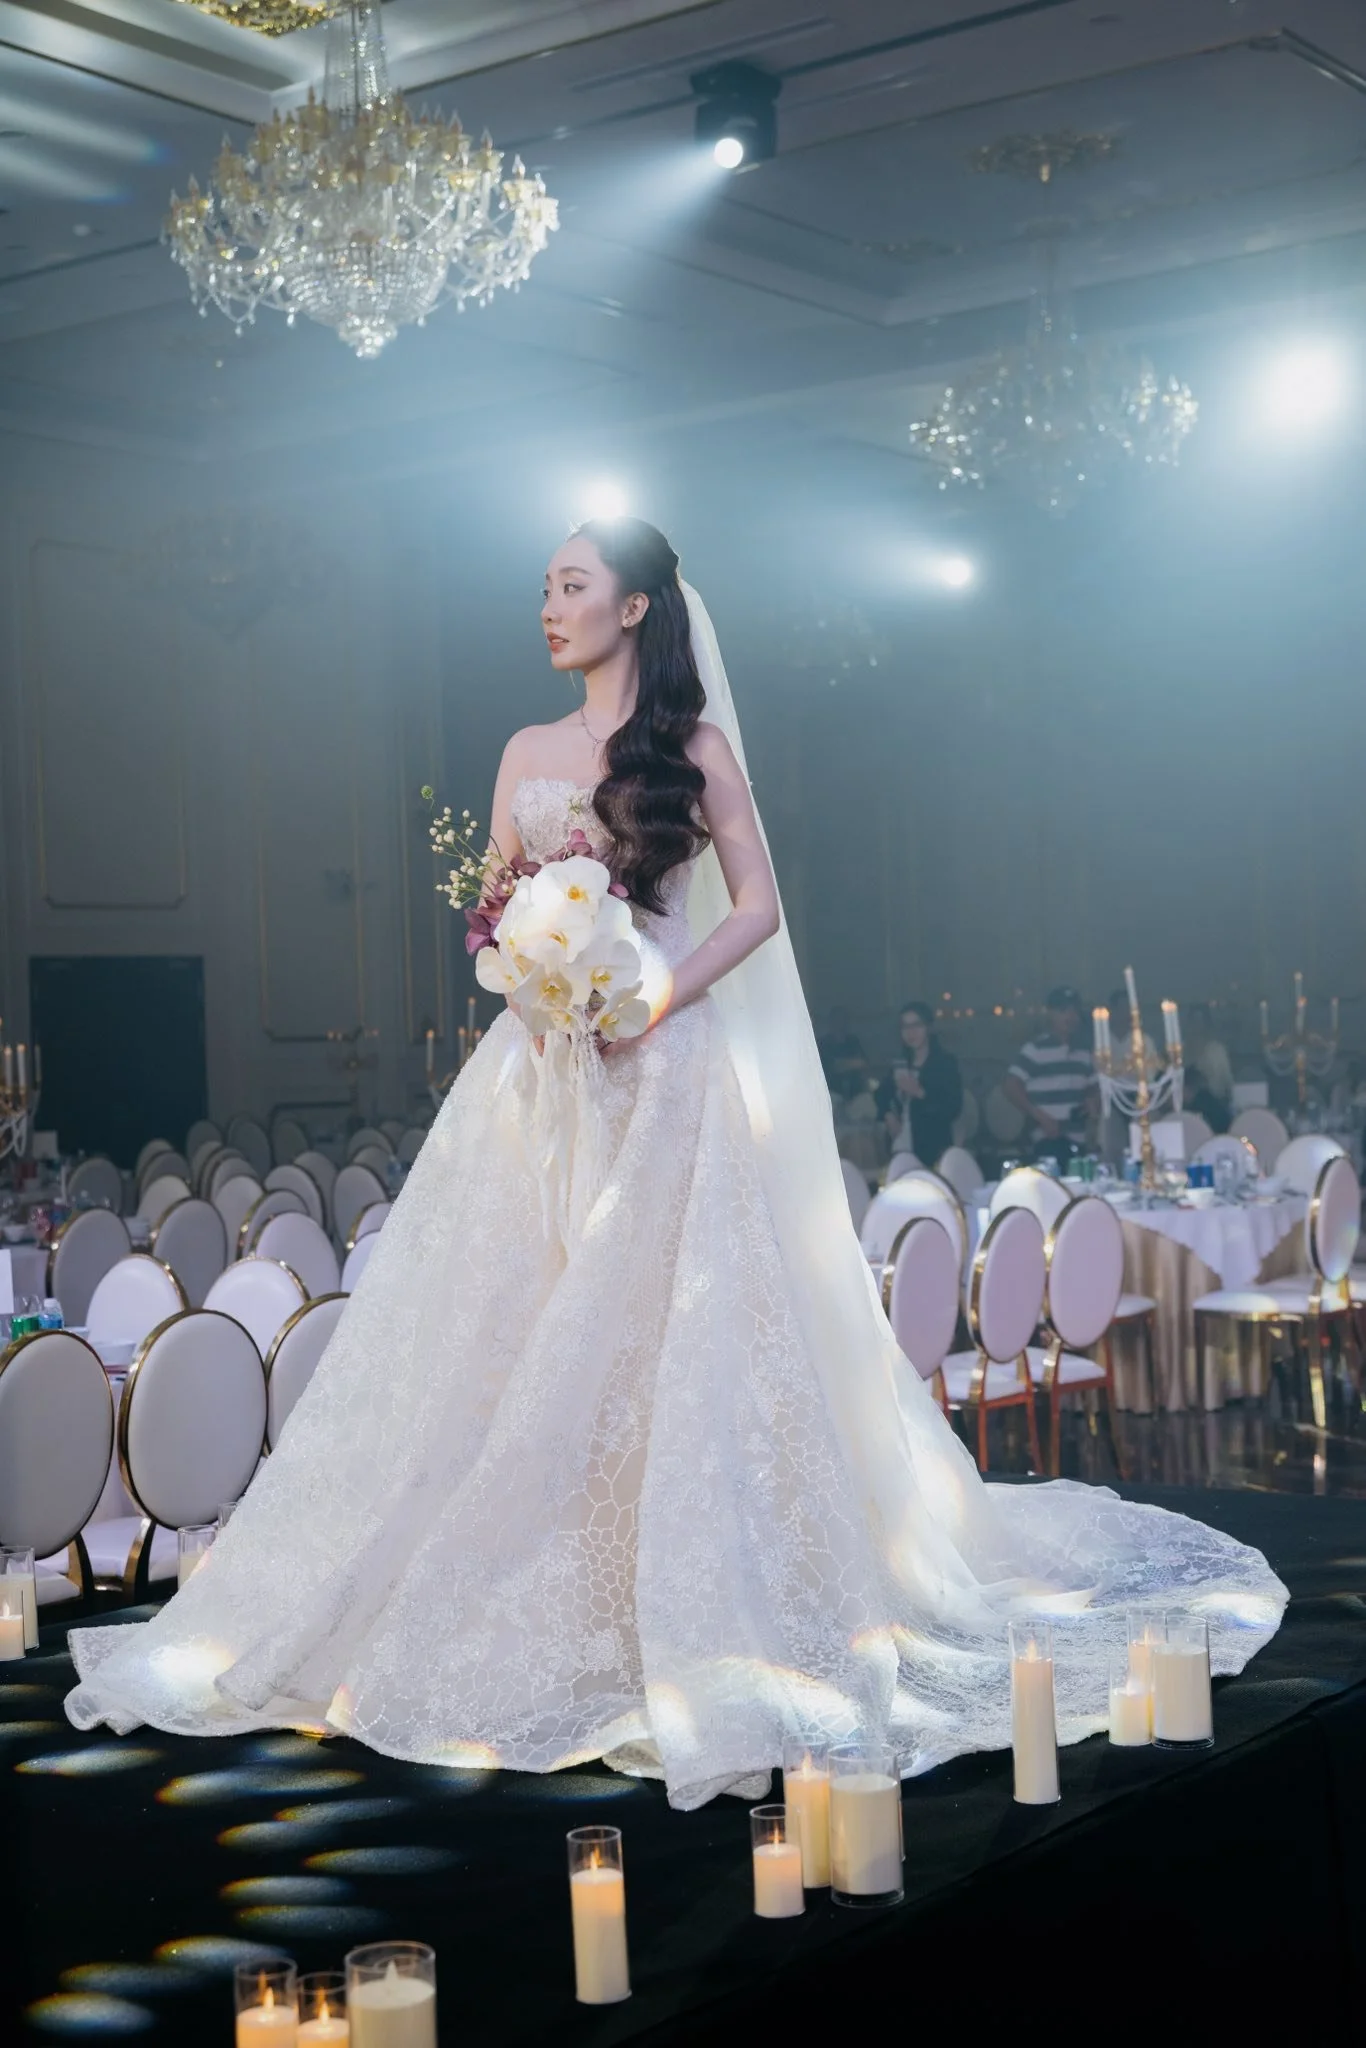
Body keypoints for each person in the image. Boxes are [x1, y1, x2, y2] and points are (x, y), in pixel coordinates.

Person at [64, 520, 1285, 1809]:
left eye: (573, 585)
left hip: (663, 1068)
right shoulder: (525, 749)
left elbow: (756, 908)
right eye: (544, 586)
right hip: (538, 1072)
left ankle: (674, 1599)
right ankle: (520, 1586)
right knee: (501, 1319)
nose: (549, 605)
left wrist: (654, 993)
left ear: (637, 606)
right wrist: (535, 989)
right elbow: (494, 906)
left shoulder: (692, 752)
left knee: (665, 1329)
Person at [1004, 987, 1096, 1158]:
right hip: (1046, 1138)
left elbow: (1093, 1086)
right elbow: (1011, 1086)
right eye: (1063, 1011)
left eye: (1074, 1011)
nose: (1071, 1017)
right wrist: (1040, 1117)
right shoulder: (1035, 1049)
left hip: (1078, 1139)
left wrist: (1092, 1100)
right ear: (1050, 1014)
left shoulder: (1084, 1051)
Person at [877, 1001, 963, 1166]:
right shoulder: (901, 1063)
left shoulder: (944, 1063)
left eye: (916, 1025)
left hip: (932, 1147)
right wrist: (888, 1115)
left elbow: (953, 1108)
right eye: (905, 1026)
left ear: (929, 1028)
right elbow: (881, 1094)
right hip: (899, 1146)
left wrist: (920, 1093)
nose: (911, 1032)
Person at [1186, 1003, 1233, 1133]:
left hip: (1215, 1110)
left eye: (1201, 1021)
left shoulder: (1217, 1050)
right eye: (1194, 1021)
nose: (1197, 1026)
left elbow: (1227, 1085)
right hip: (1189, 1113)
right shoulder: (1182, 1052)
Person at [818, 1005, 870, 1102]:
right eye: (837, 1019)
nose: (840, 1022)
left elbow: (863, 1063)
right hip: (831, 1092)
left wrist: (845, 1064)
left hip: (855, 1092)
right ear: (831, 1021)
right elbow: (830, 1066)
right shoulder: (823, 1043)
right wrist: (851, 1063)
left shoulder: (853, 1041)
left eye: (843, 1019)